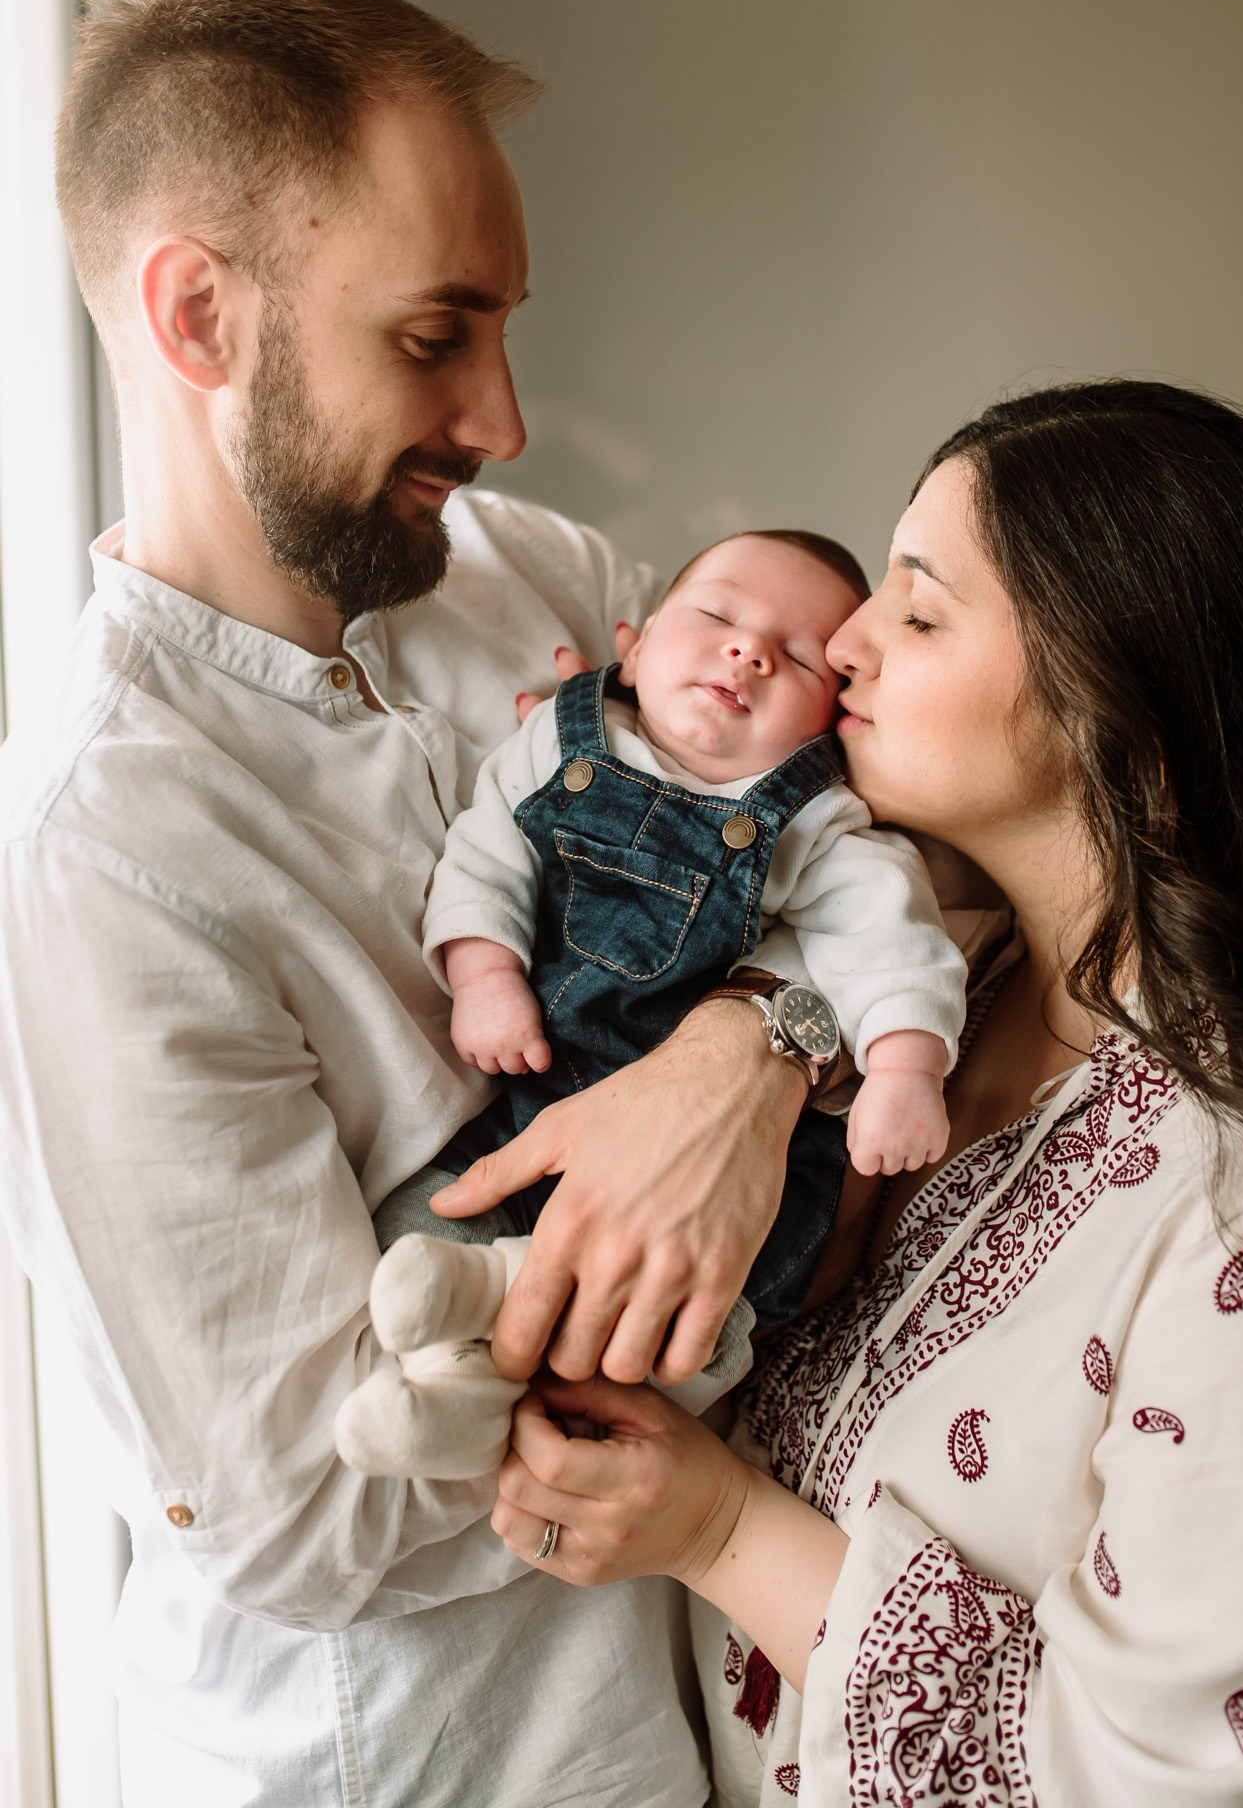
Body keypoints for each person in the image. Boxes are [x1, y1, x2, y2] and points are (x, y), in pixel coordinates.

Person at [0, 0, 837, 1807]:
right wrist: (676, 1271)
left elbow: (873, 830)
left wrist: (746, 1062)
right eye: (434, 333)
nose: (505, 417)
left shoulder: (523, 572)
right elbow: (300, 1504)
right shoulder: (104, 857)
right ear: (198, 314)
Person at [485, 382, 1243, 1807]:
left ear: (1109, 701)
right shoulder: (944, 978)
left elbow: (1169, 1775)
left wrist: (714, 1532)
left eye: (917, 607)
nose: (839, 645)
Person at [335, 527, 969, 1480]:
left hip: (712, 1191)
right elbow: (485, 854)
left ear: (829, 721)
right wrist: (484, 975)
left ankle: (492, 1329)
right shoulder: (556, 739)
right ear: (631, 648)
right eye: (717, 615)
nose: (749, 650)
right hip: (529, 1107)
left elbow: (889, 938)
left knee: (675, 1345)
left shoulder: (812, 819)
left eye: (797, 657)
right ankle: (453, 1405)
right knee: (422, 1218)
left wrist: (905, 1066)